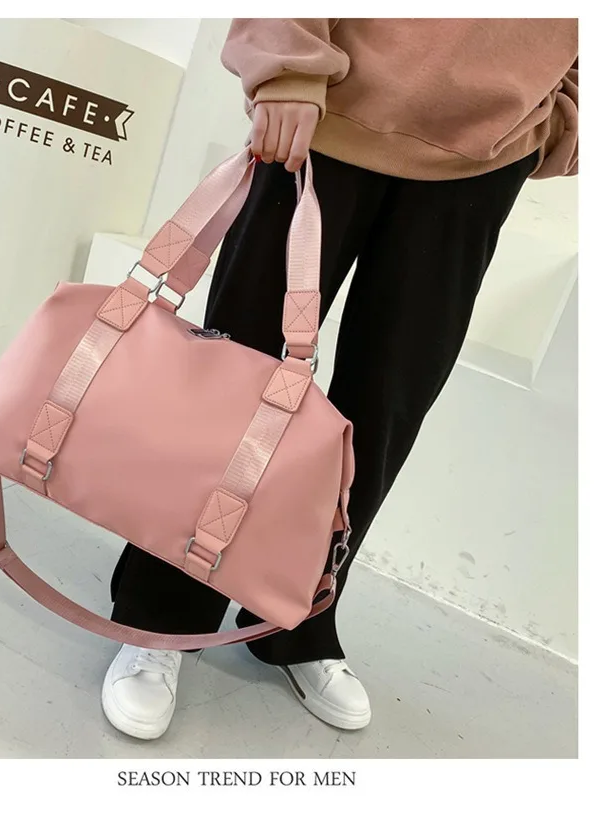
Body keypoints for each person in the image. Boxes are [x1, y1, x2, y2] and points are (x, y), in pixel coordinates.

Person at [101, 18, 579, 740]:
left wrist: (559, 111)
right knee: (238, 379)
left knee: (386, 405)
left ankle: (296, 621)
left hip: (485, 157)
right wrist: (288, 64)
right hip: (326, 115)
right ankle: (163, 615)